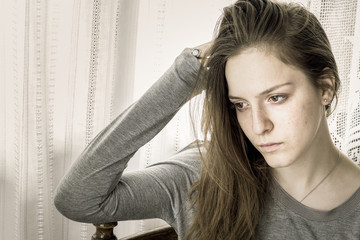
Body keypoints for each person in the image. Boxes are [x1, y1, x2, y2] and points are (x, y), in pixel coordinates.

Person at [54, 0, 360, 239]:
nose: (258, 126)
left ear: (325, 87)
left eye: (275, 97)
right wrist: (183, 76)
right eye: (240, 104)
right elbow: (78, 199)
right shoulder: (206, 178)